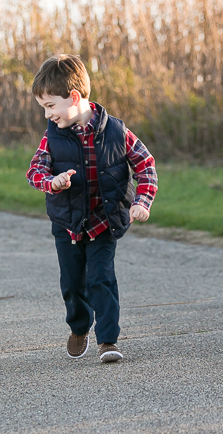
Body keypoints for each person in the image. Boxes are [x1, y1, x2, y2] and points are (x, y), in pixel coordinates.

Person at [26, 54, 157, 363]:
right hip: (67, 224)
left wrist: (142, 201)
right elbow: (35, 172)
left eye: (50, 106)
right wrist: (52, 182)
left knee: (101, 278)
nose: (47, 115)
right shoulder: (52, 137)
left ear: (73, 97)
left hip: (104, 222)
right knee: (72, 283)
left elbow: (146, 165)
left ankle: (108, 341)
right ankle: (79, 326)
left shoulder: (117, 132)